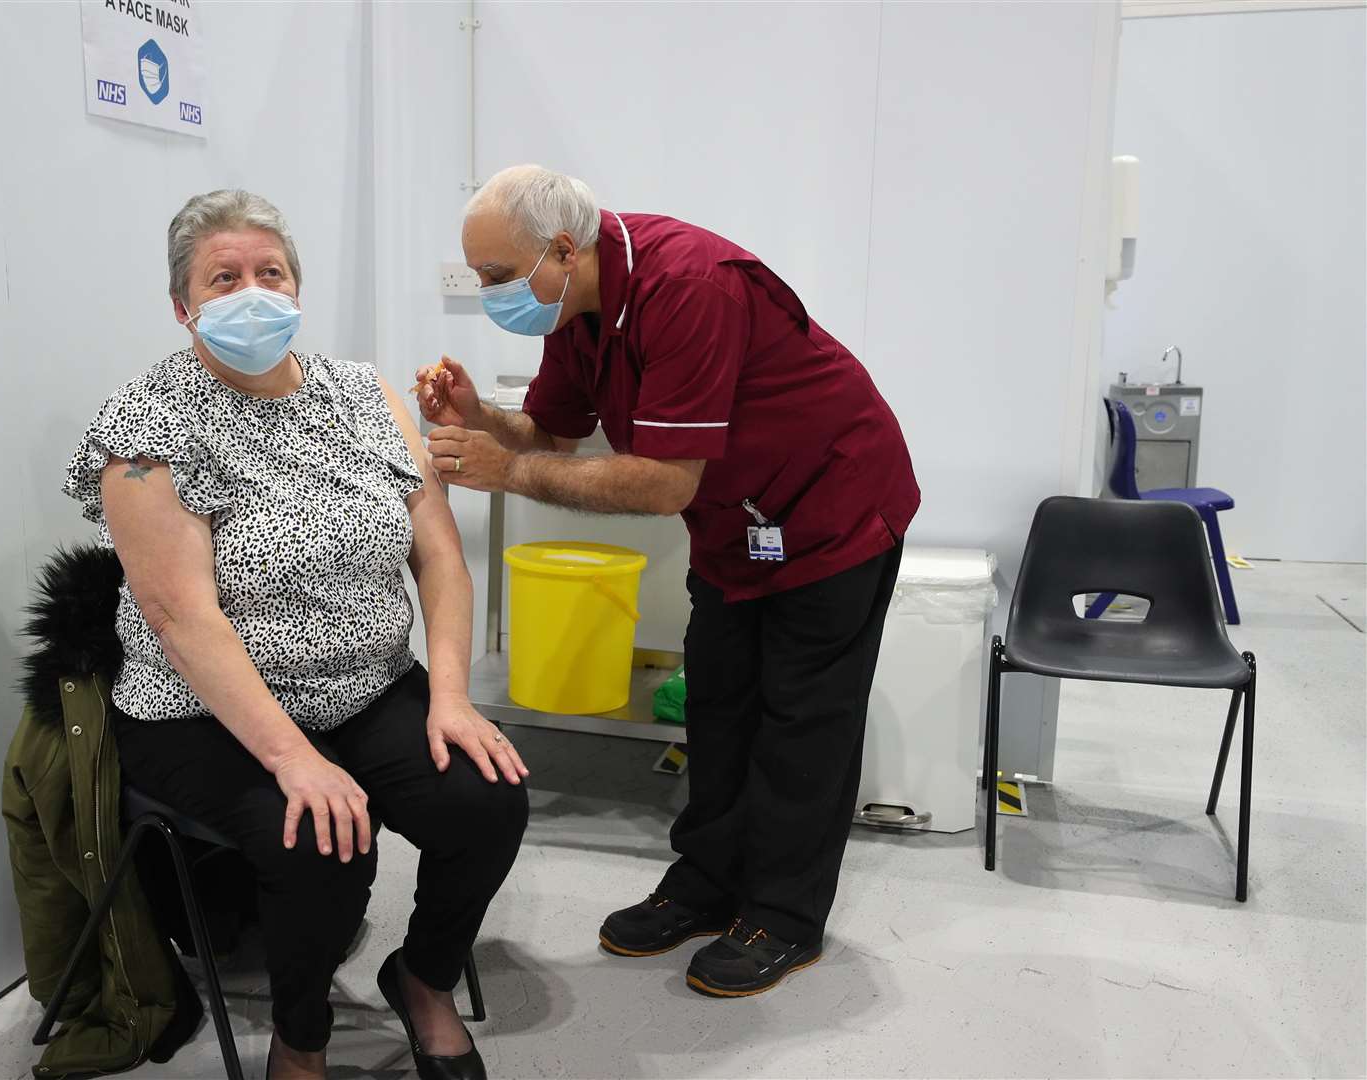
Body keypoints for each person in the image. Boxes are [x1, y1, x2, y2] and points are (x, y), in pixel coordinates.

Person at [419, 165, 920, 999]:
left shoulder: (691, 285)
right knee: (720, 706)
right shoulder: (577, 304)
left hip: (833, 507)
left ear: (564, 250)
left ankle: (785, 917)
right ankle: (708, 883)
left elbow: (662, 484)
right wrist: (481, 419)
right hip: (740, 528)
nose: (487, 294)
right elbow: (552, 431)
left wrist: (506, 472)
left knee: (801, 722)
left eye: (497, 277)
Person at [64, 189, 527, 1080]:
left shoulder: (363, 395)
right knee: (318, 835)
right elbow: (179, 616)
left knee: (488, 798)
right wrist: (291, 757)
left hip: (362, 683)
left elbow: (440, 560)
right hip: (200, 711)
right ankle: (301, 1039)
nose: (251, 291)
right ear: (182, 306)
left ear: (298, 287)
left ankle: (422, 979)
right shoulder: (147, 424)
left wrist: (452, 696)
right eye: (223, 278)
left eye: (269, 272)